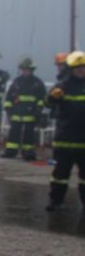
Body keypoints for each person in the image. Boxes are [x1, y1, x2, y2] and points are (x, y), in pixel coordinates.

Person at [44, 50, 85, 212]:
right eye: (78, 68)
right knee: (60, 175)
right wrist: (53, 97)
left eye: (83, 67)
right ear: (71, 69)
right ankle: (56, 201)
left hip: (84, 141)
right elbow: (47, 104)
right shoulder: (62, 86)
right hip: (65, 140)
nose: (81, 70)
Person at [1, 57, 47, 161]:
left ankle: (29, 153)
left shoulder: (37, 83)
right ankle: (10, 151)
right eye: (23, 69)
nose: (25, 71)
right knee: (13, 133)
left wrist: (39, 109)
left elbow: (42, 98)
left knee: (29, 135)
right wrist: (8, 109)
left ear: (32, 70)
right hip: (17, 113)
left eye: (27, 69)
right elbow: (9, 97)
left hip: (31, 115)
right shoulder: (17, 82)